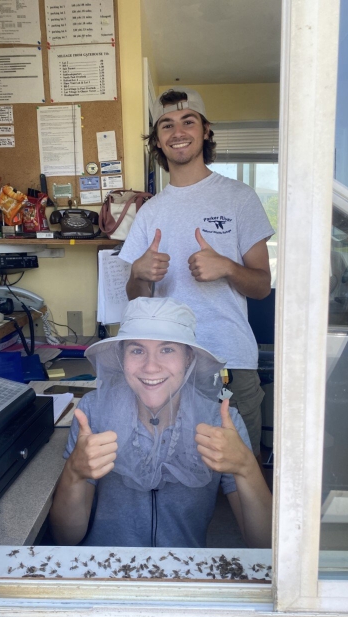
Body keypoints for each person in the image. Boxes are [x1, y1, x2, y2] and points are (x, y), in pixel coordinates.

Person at [119, 86, 275, 461]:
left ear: (205, 131)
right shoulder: (151, 212)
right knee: (176, 472)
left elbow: (261, 287)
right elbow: (136, 297)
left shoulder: (240, 197)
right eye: (167, 125)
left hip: (229, 361)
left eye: (188, 121)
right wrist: (140, 273)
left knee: (239, 474)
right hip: (167, 366)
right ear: (157, 140)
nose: (178, 132)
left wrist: (226, 268)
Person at [49, 297, 272, 548]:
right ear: (122, 358)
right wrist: (74, 473)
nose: (151, 366)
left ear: (189, 358)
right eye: (137, 350)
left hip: (182, 576)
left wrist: (246, 467)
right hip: (104, 572)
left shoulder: (220, 421)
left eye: (167, 349)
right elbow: (65, 538)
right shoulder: (93, 412)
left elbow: (264, 545)